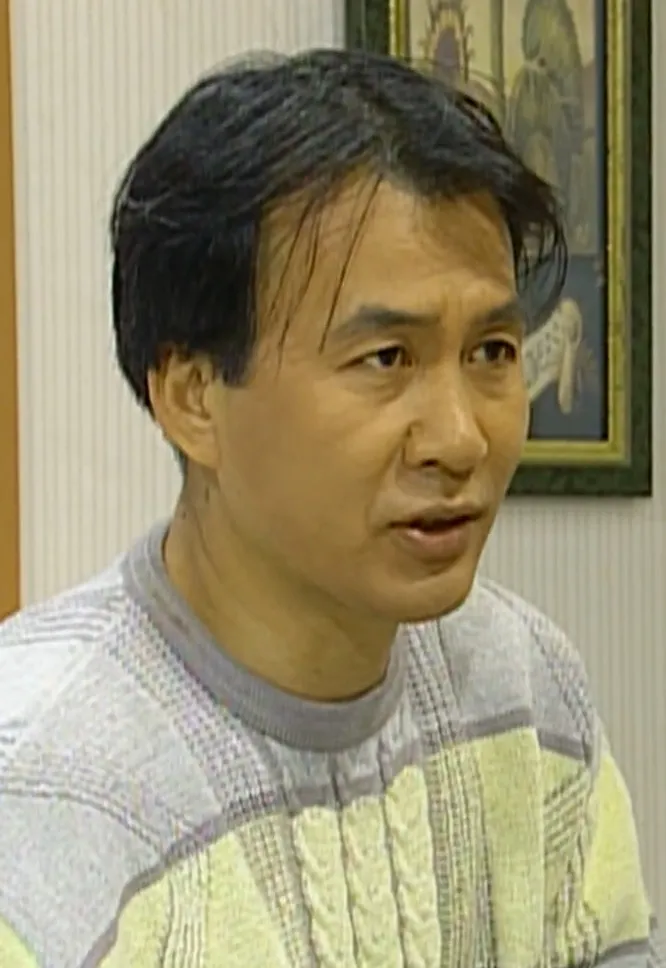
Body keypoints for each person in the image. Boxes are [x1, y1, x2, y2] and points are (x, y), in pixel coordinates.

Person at [0, 48, 660, 968]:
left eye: (493, 353)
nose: (460, 439)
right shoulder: (42, 792)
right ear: (193, 396)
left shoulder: (524, 688)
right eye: (386, 360)